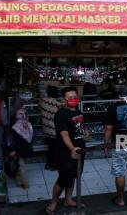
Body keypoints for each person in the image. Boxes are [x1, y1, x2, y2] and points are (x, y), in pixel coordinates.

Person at [46, 87, 88, 215]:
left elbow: (80, 127)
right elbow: (64, 134)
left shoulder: (78, 112)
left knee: (74, 175)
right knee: (63, 178)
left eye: (74, 97)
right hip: (66, 152)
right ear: (64, 99)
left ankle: (68, 200)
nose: (72, 99)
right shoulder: (61, 114)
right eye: (69, 97)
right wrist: (72, 149)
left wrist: (85, 133)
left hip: (80, 150)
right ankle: (53, 202)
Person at [39, 86, 63, 171]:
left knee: (50, 148)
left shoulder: (42, 101)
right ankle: (54, 165)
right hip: (55, 130)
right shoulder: (57, 103)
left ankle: (48, 164)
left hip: (46, 129)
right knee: (56, 148)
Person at [8, 107, 33, 189]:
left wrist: (15, 151)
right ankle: (19, 181)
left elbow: (16, 142)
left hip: (19, 149)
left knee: (21, 165)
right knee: (20, 164)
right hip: (27, 148)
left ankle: (25, 184)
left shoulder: (15, 127)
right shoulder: (28, 124)